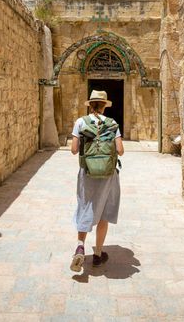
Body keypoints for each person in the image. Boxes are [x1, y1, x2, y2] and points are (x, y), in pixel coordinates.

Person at [70, 90, 125, 272]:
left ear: (90, 105)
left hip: (87, 173)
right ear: (103, 106)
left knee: (85, 206)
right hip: (108, 174)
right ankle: (98, 255)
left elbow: (74, 149)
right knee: (104, 211)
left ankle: (80, 246)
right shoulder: (112, 124)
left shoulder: (81, 122)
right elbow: (120, 150)